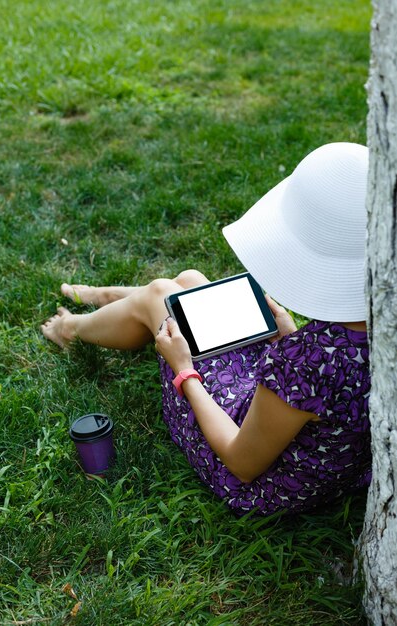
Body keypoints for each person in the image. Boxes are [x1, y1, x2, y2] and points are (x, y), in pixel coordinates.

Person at [41, 142, 371, 517]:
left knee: (163, 295)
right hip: (330, 468)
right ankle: (107, 299)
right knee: (191, 282)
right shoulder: (367, 334)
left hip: (262, 484)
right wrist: (290, 334)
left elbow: (241, 461)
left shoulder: (305, 360)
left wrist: (184, 372)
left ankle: (72, 327)